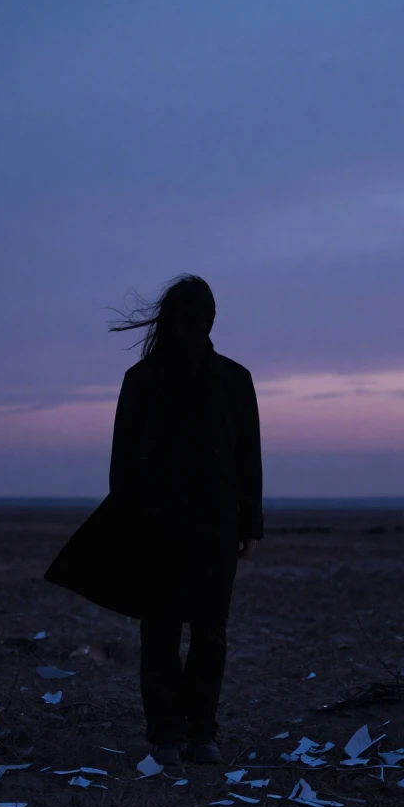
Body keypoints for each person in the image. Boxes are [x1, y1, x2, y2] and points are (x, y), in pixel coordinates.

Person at [102, 274, 264, 766]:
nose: (196, 329)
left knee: (203, 630)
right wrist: (127, 520)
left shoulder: (234, 380)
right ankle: (170, 734)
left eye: (202, 321)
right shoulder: (143, 380)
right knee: (165, 630)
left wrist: (248, 524)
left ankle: (198, 733)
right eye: (190, 321)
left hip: (212, 525)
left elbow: (246, 456)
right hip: (161, 525)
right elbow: (124, 461)